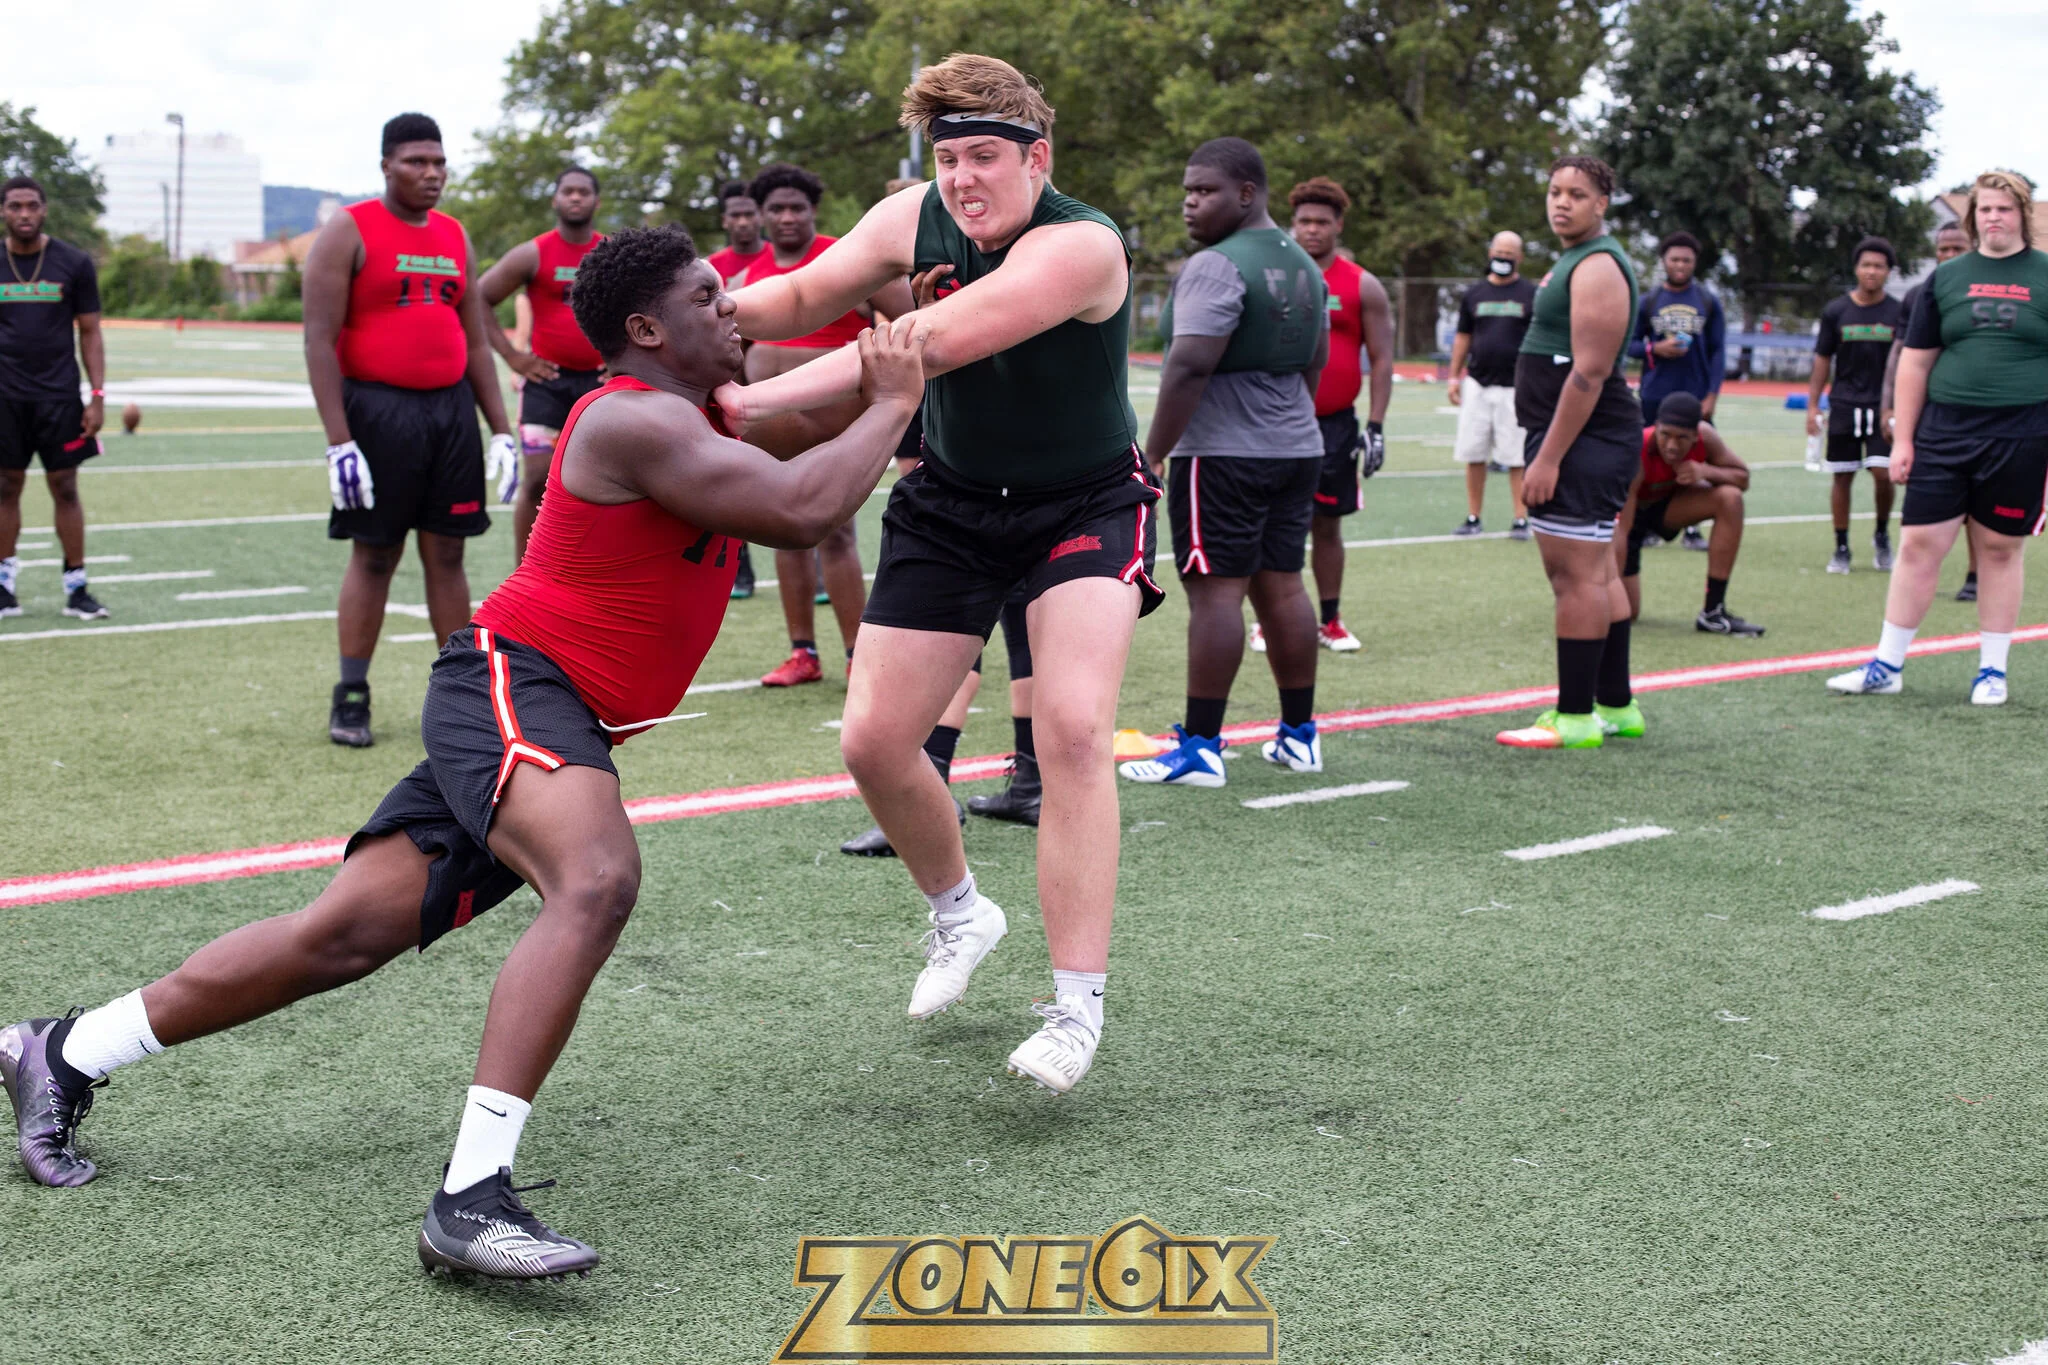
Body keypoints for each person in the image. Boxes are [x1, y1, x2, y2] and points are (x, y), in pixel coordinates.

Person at [1, 225, 927, 1280]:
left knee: (338, 937)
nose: (732, 309)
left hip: (541, 706)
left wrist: (928, 333)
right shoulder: (632, 418)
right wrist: (896, 395)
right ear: (645, 329)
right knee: (597, 878)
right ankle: (471, 1198)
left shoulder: (698, 411)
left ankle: (63, 1048)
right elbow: (803, 508)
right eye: (709, 297)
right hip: (515, 684)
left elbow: (816, 421)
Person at [715, 52, 1163, 1095]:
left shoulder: (1081, 245)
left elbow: (926, 342)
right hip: (953, 501)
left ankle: (1075, 1007)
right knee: (874, 741)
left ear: (1035, 159)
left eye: (984, 158)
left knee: (1072, 729)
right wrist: (700, 311)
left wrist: (744, 403)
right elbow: (801, 294)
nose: (962, 178)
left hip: (1082, 504)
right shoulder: (911, 214)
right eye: (948, 158)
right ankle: (962, 914)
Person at [1119, 137, 1328, 789]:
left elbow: (1189, 365)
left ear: (1246, 193)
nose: (1190, 202)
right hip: (1297, 445)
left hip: (1223, 452)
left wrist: (1152, 454)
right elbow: (1315, 362)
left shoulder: (1216, 264)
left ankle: (1201, 747)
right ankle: (1299, 737)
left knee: (1215, 592)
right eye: (1188, 190)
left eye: (1204, 190)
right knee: (1284, 586)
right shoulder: (1306, 262)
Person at [303, 114, 517, 748]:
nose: (431, 173)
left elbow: (474, 342)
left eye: (439, 162)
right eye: (416, 162)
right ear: (386, 166)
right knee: (375, 554)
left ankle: (462, 699)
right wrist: (339, 440)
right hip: (376, 411)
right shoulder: (349, 228)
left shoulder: (454, 234)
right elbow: (317, 340)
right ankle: (351, 694)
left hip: (449, 412)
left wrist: (499, 429)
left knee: (449, 553)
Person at [1828, 170, 2048, 707]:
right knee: (1919, 544)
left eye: (2004, 208)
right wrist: (1903, 440)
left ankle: (1992, 671)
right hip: (1945, 431)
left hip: (2022, 432)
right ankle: (1887, 665)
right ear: (1973, 218)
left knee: (1999, 549)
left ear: (2023, 214)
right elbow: (1915, 362)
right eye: (1985, 209)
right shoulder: (1945, 279)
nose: (1993, 217)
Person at [737, 162, 914, 687]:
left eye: (797, 207)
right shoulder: (747, 276)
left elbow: (915, 318)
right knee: (783, 534)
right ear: (762, 215)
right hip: (768, 432)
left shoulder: (848, 260)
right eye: (776, 209)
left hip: (838, 426)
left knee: (836, 536)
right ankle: (803, 653)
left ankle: (860, 654)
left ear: (813, 210)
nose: (787, 217)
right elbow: (729, 349)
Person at [1495, 156, 1643, 751]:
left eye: (1576, 194)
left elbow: (1590, 371)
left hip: (1584, 440)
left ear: (1601, 203)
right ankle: (1617, 705)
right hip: (1583, 437)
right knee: (1599, 570)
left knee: (1574, 577)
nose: (1561, 202)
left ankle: (1576, 716)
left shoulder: (1598, 264)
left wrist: (1548, 457)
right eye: (1554, 191)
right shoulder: (1577, 257)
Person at [478, 167, 606, 564]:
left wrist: (624, 363)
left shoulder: (609, 251)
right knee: (536, 479)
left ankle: (589, 571)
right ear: (555, 199)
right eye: (568, 191)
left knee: (606, 484)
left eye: (583, 192)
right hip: (546, 384)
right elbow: (479, 297)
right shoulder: (533, 253)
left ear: (596, 201)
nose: (575, 197)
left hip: (602, 386)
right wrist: (512, 356)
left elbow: (645, 307)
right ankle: (526, 573)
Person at [1287, 176, 1390, 650]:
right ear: (1293, 224)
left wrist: (1376, 425)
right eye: (1304, 221)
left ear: (1338, 225)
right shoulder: (1278, 274)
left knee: (1328, 525)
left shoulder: (1362, 283)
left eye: (1321, 222)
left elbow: (1383, 359)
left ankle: (1330, 620)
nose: (1312, 229)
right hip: (1279, 420)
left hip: (1335, 425)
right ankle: (1273, 618)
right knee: (1279, 524)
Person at [0, 175, 108, 621]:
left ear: (44, 210)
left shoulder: (73, 262)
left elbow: (90, 332)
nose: (24, 214)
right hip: (5, 397)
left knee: (65, 487)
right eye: (15, 206)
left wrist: (96, 396)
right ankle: (3, 587)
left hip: (59, 397)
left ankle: (77, 587)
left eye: (32, 205)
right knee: (5, 486)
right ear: (3, 212)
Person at [1884, 222, 1976, 599]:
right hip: (1929, 414)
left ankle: (1975, 574)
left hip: (1975, 413)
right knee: (1924, 498)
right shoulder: (1921, 293)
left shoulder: (1985, 291)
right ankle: (1916, 574)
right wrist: (1889, 407)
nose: (1949, 256)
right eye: (1943, 249)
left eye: (1958, 248)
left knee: (1978, 502)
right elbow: (1901, 355)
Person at [1621, 392, 1763, 635]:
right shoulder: (1639, 447)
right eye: (1665, 434)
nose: (1672, 445)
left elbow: (1743, 478)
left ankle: (1713, 612)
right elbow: (1622, 527)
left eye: (1682, 438)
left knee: (1730, 498)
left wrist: (1705, 471)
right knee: (1626, 613)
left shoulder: (1707, 437)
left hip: (1669, 507)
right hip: (1631, 517)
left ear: (1696, 435)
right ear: (1656, 427)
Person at [1809, 237, 1902, 574]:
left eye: (1879, 266)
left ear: (1888, 271)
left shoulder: (1898, 312)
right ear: (1856, 268)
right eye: (1866, 265)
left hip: (1884, 407)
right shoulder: (1836, 311)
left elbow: (1906, 360)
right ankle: (1841, 546)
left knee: (1883, 474)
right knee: (1842, 476)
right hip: (1845, 404)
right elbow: (1822, 359)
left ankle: (1881, 534)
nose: (1871, 271)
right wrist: (1812, 406)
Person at [1631, 231, 1725, 552]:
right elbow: (1628, 344)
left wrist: (1712, 394)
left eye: (1686, 260)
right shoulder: (1649, 301)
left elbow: (1718, 351)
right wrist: (1655, 348)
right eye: (1675, 259)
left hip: (1694, 396)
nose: (1680, 265)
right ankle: (1644, 524)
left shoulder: (1708, 301)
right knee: (1648, 459)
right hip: (1655, 395)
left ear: (1695, 262)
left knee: (1695, 458)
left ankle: (1691, 526)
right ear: (1664, 261)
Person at [1449, 231, 1538, 539]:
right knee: (1474, 453)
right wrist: (1453, 376)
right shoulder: (1475, 293)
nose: (1503, 257)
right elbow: (1463, 336)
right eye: (1500, 251)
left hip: (1516, 386)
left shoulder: (1530, 294)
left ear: (1520, 258)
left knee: (1516, 456)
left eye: (1510, 253)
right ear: (1490, 253)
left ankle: (1520, 518)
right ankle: (1474, 516)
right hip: (1478, 383)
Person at [708, 181, 766, 599]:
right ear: (726, 221)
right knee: (729, 475)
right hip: (724, 382)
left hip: (771, 380)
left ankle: (818, 565)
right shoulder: (711, 267)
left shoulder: (778, 258)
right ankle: (738, 566)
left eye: (750, 214)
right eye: (736, 215)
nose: (744, 222)